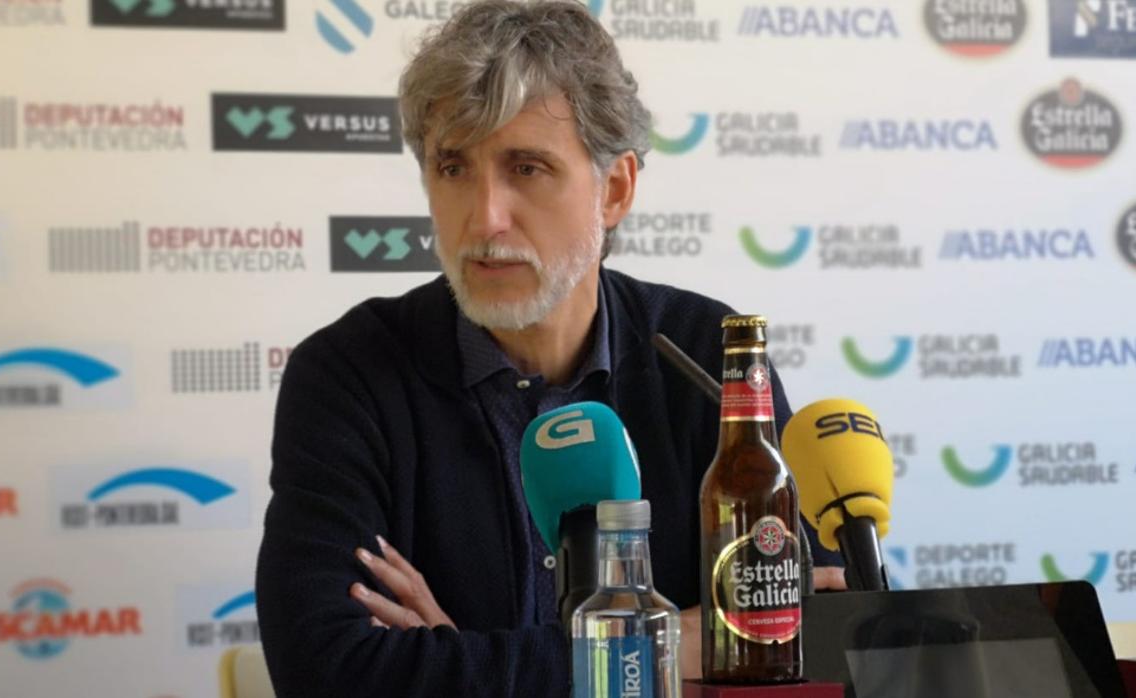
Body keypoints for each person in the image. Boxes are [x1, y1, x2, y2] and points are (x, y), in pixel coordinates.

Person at [255, 2, 844, 696]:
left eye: (526, 168)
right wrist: (670, 646)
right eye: (452, 168)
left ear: (615, 188)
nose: (484, 216)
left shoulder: (709, 360)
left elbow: (822, 631)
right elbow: (327, 673)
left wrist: (458, 658)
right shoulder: (350, 374)